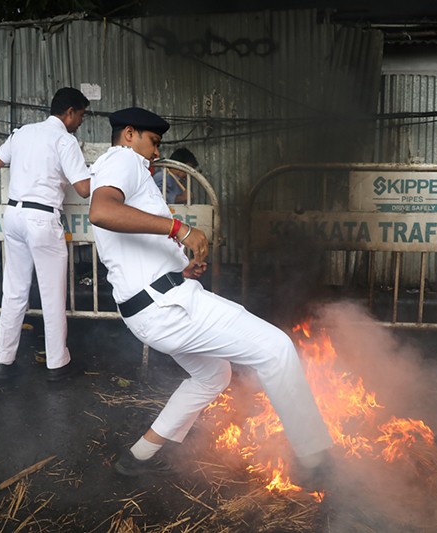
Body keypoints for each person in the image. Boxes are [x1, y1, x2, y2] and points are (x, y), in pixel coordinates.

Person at [88, 107, 333, 482]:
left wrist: (178, 267)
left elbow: (128, 245)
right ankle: (315, 461)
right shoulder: (123, 159)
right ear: (129, 134)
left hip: (154, 303)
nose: (156, 153)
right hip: (168, 307)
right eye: (153, 142)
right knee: (277, 348)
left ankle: (140, 455)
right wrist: (179, 229)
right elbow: (102, 211)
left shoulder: (122, 166)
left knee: (213, 375)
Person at [0, 87, 91, 382]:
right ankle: (57, 364)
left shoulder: (23, 133)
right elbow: (84, 188)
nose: (80, 121)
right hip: (41, 218)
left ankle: (4, 359)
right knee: (52, 295)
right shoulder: (64, 140)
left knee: (14, 290)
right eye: (80, 115)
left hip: (13, 215)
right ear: (69, 113)